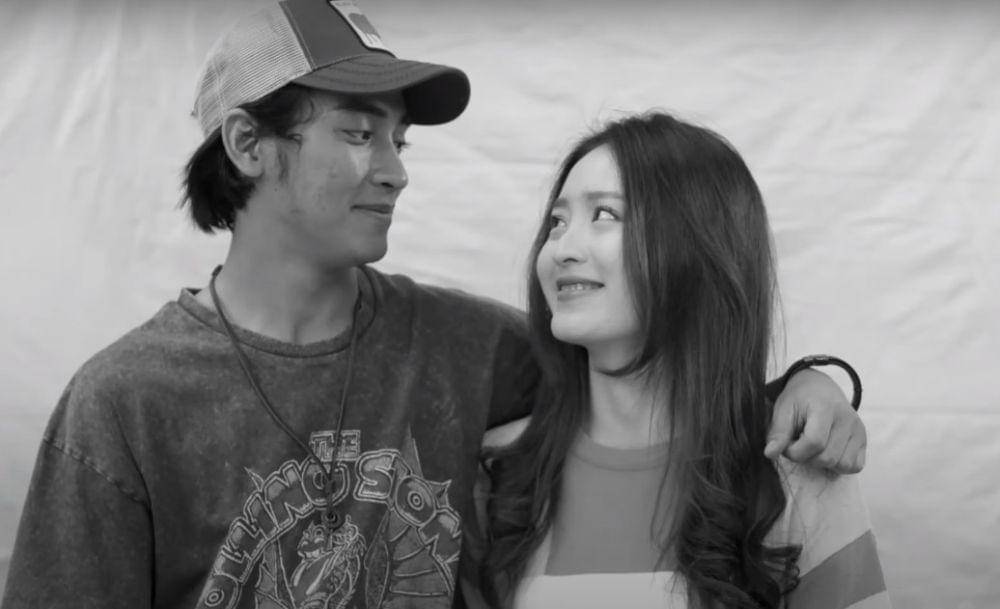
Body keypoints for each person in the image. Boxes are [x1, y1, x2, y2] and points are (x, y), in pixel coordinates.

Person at [3, 2, 867, 608]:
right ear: (248, 143)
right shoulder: (123, 404)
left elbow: (651, 367)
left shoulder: (467, 345)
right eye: (357, 132)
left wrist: (803, 383)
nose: (395, 170)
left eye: (399, 139)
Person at [480, 112, 890, 608]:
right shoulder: (495, 468)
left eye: (604, 214)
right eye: (557, 222)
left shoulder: (796, 472)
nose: (562, 248)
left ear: (700, 244)